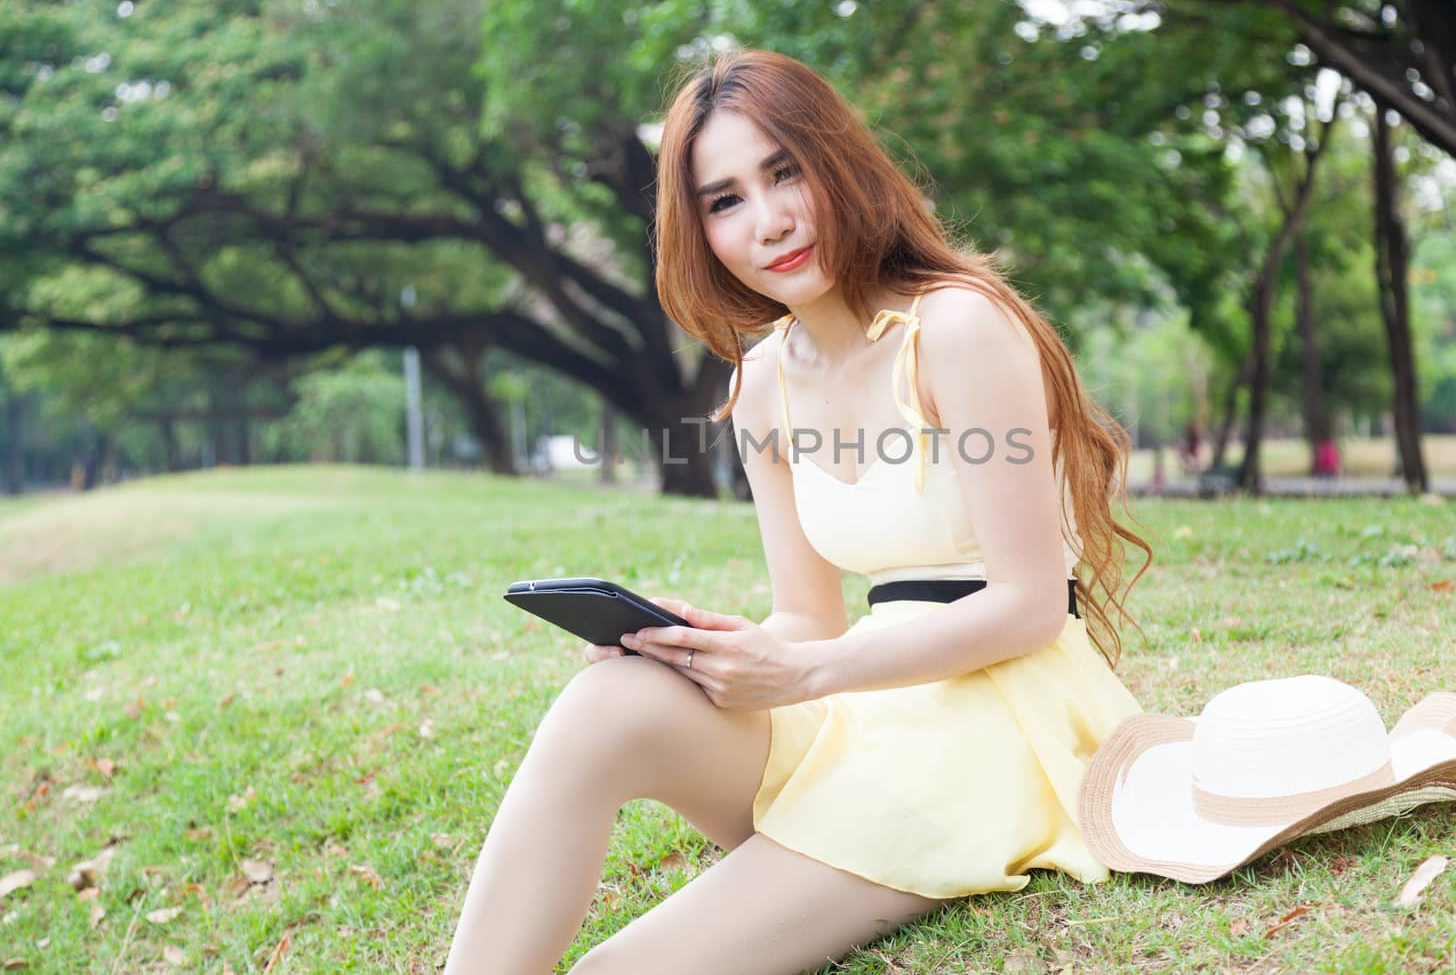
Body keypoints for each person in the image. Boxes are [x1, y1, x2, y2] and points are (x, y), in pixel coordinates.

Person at [441, 48, 1150, 975]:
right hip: (873, 699)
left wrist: (807, 670)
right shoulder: (764, 381)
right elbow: (806, 619)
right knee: (606, 701)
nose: (769, 221)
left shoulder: (958, 327)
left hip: (1002, 721)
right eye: (725, 199)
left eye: (785, 172)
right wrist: (706, 651)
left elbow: (1029, 604)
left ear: (837, 161)